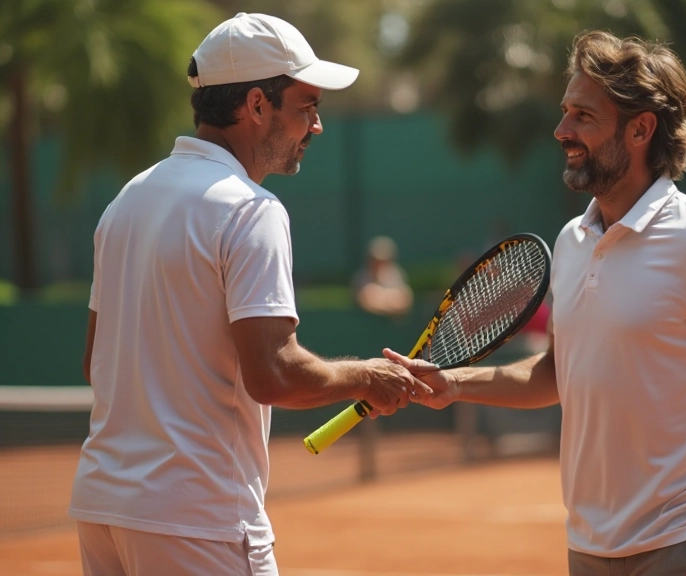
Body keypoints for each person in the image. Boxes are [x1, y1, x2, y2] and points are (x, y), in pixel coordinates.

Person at [386, 31, 686, 576]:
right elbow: (557, 373)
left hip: (683, 547)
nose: (561, 130)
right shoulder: (572, 240)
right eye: (565, 112)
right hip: (587, 550)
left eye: (583, 116)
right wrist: (454, 384)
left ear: (640, 129)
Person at [71, 13, 428, 576]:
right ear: (258, 105)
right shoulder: (250, 210)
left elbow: (97, 363)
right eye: (307, 106)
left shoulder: (125, 201)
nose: (316, 126)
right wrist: (367, 376)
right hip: (199, 519)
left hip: (103, 511)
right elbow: (274, 375)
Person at [352, 235, 413, 317]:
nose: (379, 264)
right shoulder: (362, 276)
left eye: (384, 260)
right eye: (376, 260)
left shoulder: (395, 273)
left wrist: (384, 298)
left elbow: (404, 300)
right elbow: (365, 300)